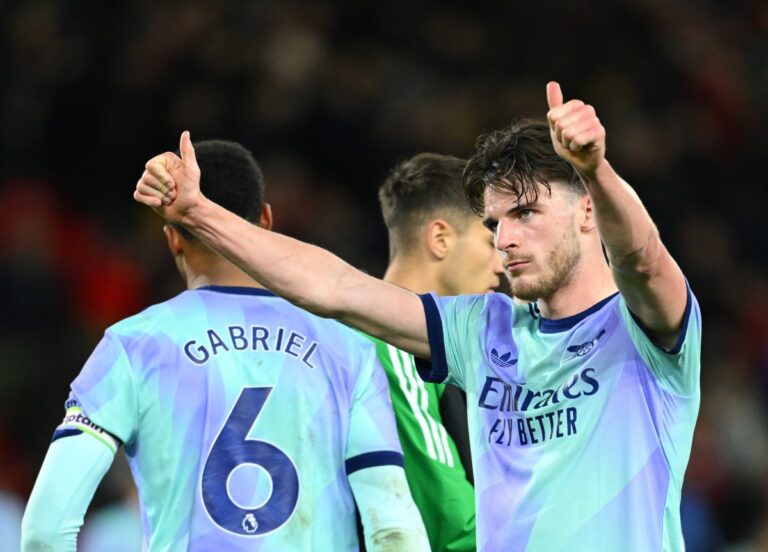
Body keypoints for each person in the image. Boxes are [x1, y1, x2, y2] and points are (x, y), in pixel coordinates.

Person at [135, 82, 701, 551]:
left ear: (585, 211)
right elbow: (335, 288)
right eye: (494, 221)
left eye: (526, 212)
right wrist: (199, 213)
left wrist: (597, 170)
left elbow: (643, 259)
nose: (505, 239)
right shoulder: (483, 330)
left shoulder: (644, 330)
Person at [22, 140, 429, 551]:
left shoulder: (132, 346)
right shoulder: (348, 347)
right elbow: (393, 529)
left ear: (172, 239)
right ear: (267, 222)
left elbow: (45, 531)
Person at [370, 153, 504, 550]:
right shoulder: (390, 344)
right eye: (490, 241)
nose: (503, 264)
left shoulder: (447, 350)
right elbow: (452, 520)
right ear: (440, 238)